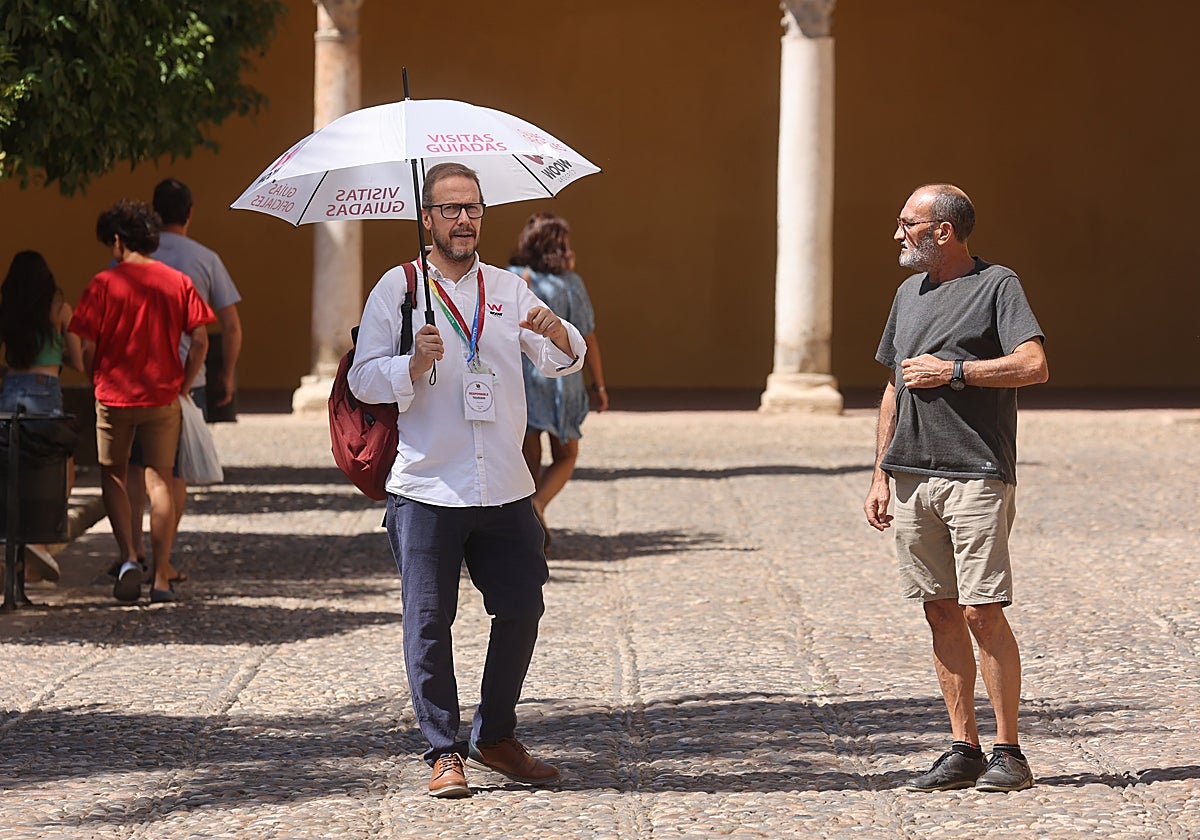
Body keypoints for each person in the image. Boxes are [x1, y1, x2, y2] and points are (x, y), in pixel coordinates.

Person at [348, 163, 587, 798]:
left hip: (506, 484)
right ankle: (442, 750)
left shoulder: (508, 290)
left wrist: (558, 332)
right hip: (427, 484)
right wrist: (410, 363)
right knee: (429, 621)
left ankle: (496, 734)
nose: (464, 220)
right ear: (426, 218)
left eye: (474, 209)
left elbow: (566, 359)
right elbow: (361, 378)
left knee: (522, 606)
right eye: (451, 210)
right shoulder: (397, 291)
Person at [863, 184, 1048, 793]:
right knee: (938, 609)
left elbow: (1033, 365)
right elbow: (894, 386)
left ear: (942, 231)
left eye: (906, 223)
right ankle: (962, 746)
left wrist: (956, 372)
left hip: (977, 473)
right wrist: (881, 471)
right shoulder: (907, 294)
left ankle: (1008, 751)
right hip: (913, 473)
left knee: (980, 610)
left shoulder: (999, 286)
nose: (898, 234)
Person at [69, 200, 215, 604]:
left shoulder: (102, 284)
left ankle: (129, 556)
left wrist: (93, 374)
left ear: (117, 241)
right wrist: (184, 384)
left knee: (115, 475)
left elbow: (84, 344)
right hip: (163, 395)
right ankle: (161, 576)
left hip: (114, 397)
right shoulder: (176, 281)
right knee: (159, 480)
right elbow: (201, 340)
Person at [125, 178, 244, 575]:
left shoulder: (131, 258)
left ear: (154, 213)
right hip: (184, 379)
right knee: (173, 472)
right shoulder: (205, 259)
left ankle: (131, 551)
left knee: (132, 468)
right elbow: (230, 325)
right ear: (190, 214)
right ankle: (163, 561)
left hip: (133, 377)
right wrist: (225, 374)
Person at [505, 213, 608, 548]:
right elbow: (587, 336)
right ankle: (538, 504)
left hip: (524, 379)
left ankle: (525, 519)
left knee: (528, 458)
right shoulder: (570, 284)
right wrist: (600, 384)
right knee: (566, 454)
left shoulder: (512, 279)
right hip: (562, 381)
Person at [0, 251, 85, 582]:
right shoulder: (60, 309)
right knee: (61, 468)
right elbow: (77, 360)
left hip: (10, 390)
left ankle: (16, 540)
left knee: (13, 467)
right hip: (44, 389)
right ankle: (39, 539)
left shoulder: (8, 310)